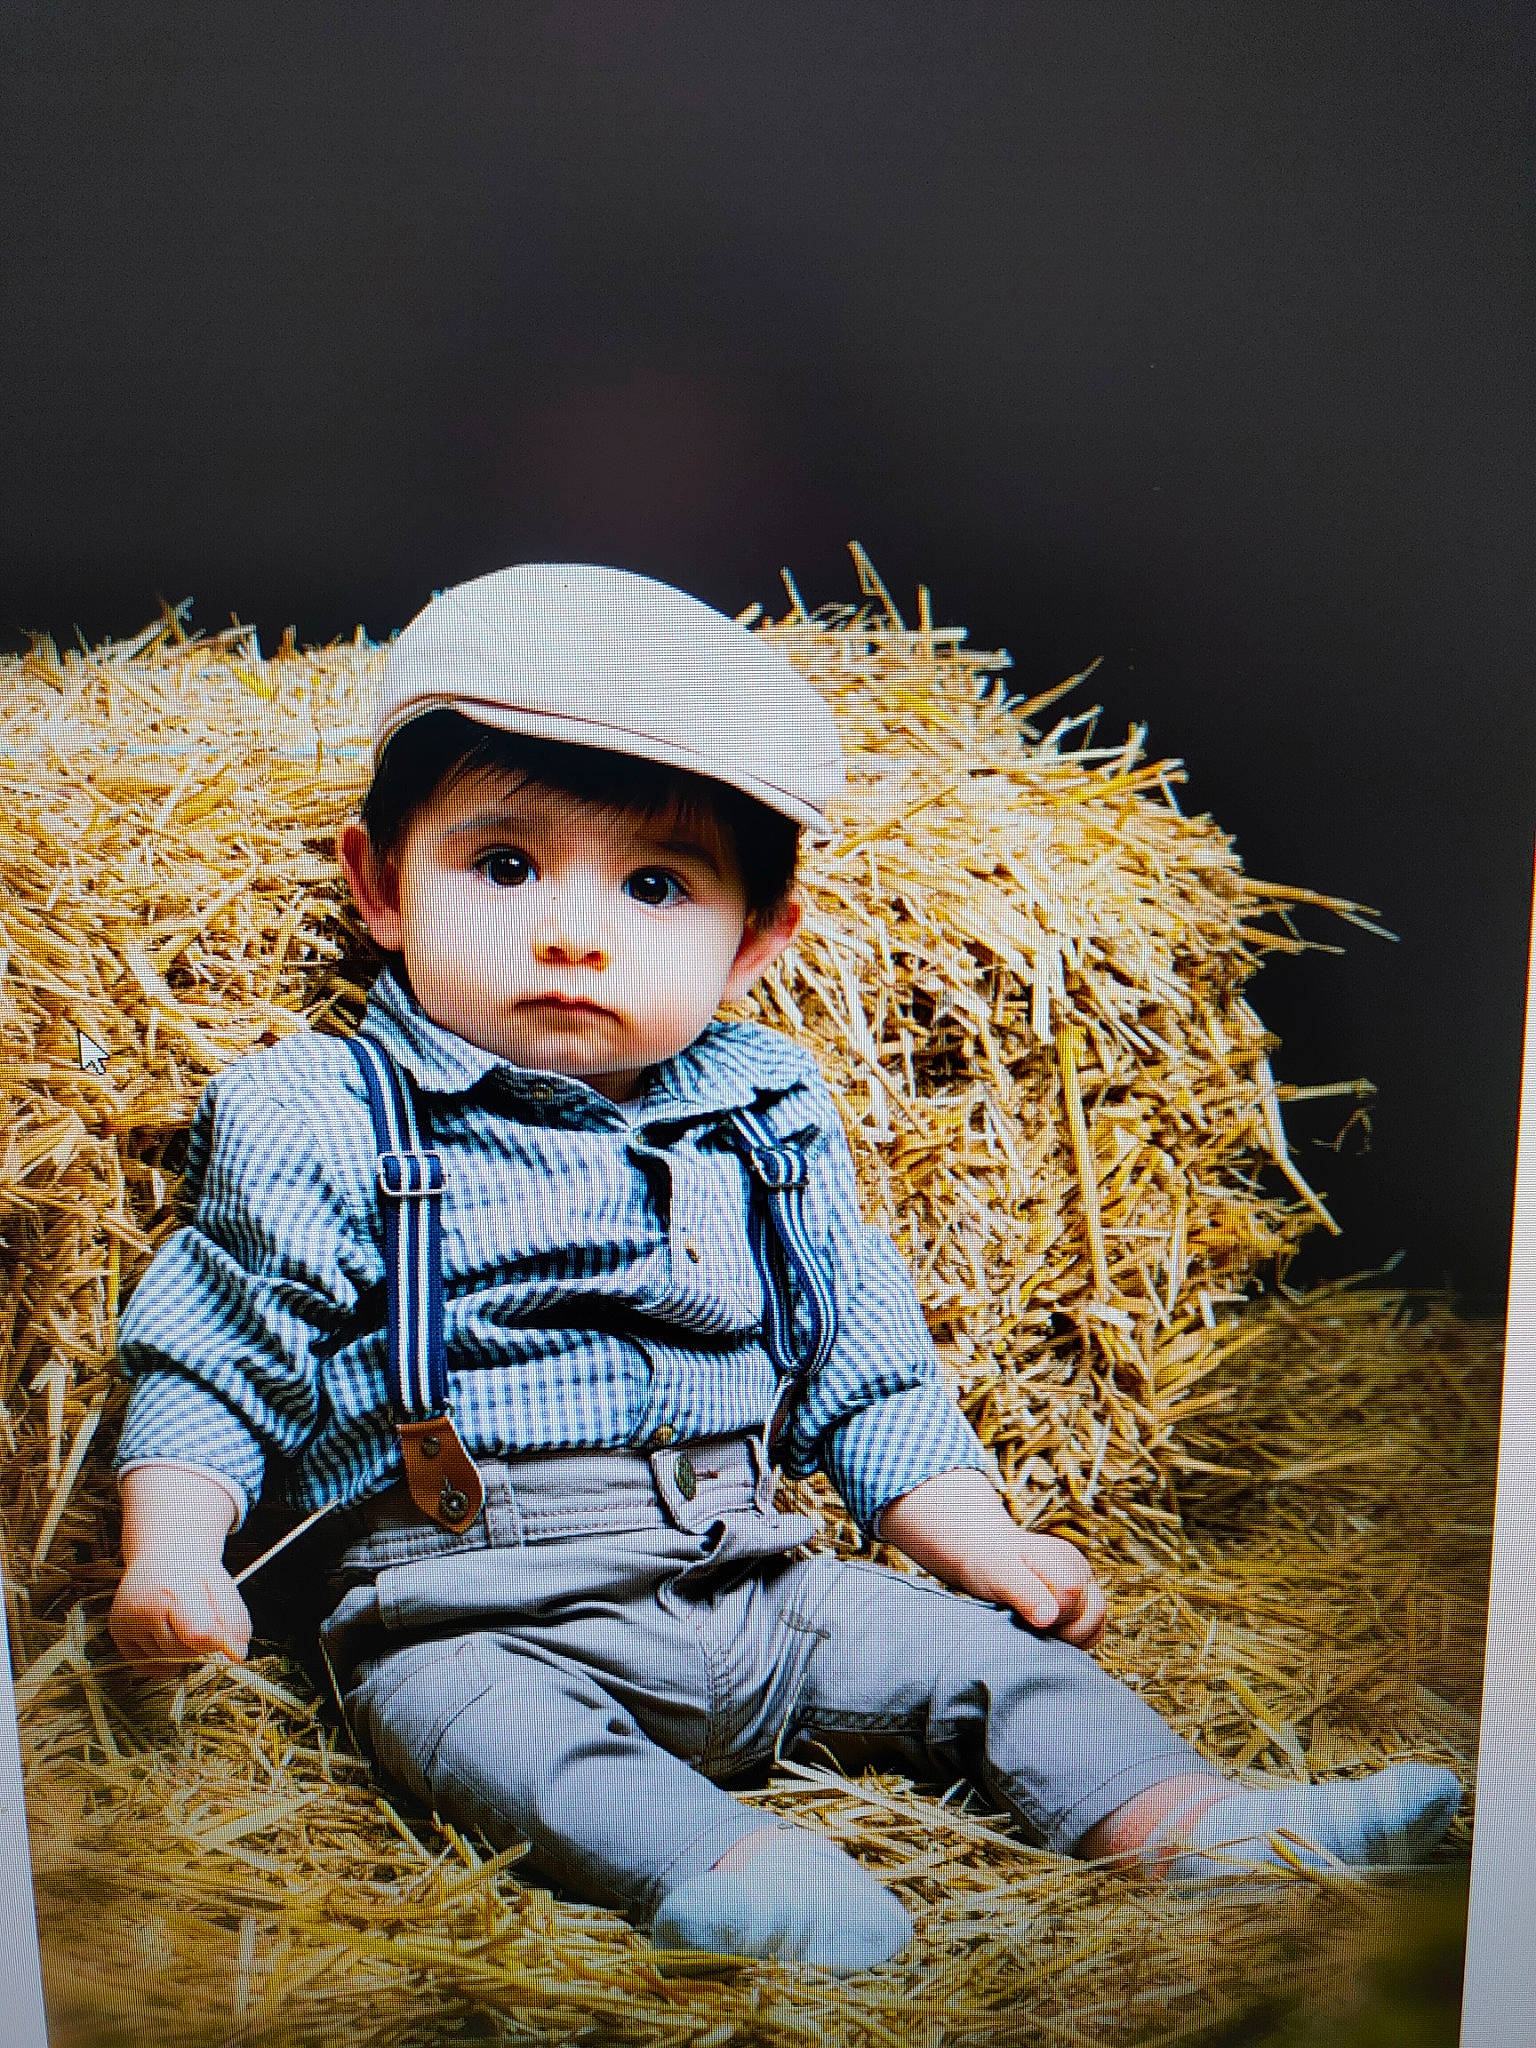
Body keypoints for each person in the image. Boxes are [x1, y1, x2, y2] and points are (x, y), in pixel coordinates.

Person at [108, 565, 1460, 1972]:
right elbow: (215, 1347)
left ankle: (1191, 1825)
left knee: (1000, 1665)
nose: (574, 930)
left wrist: (969, 1531)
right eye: (504, 866)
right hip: (476, 1610)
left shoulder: (763, 1109)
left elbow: (857, 1349)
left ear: (753, 943)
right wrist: (175, 1551)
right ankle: (728, 1874)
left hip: (755, 1581)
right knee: (476, 1732)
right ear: (382, 886)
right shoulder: (317, 1112)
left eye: (655, 884)